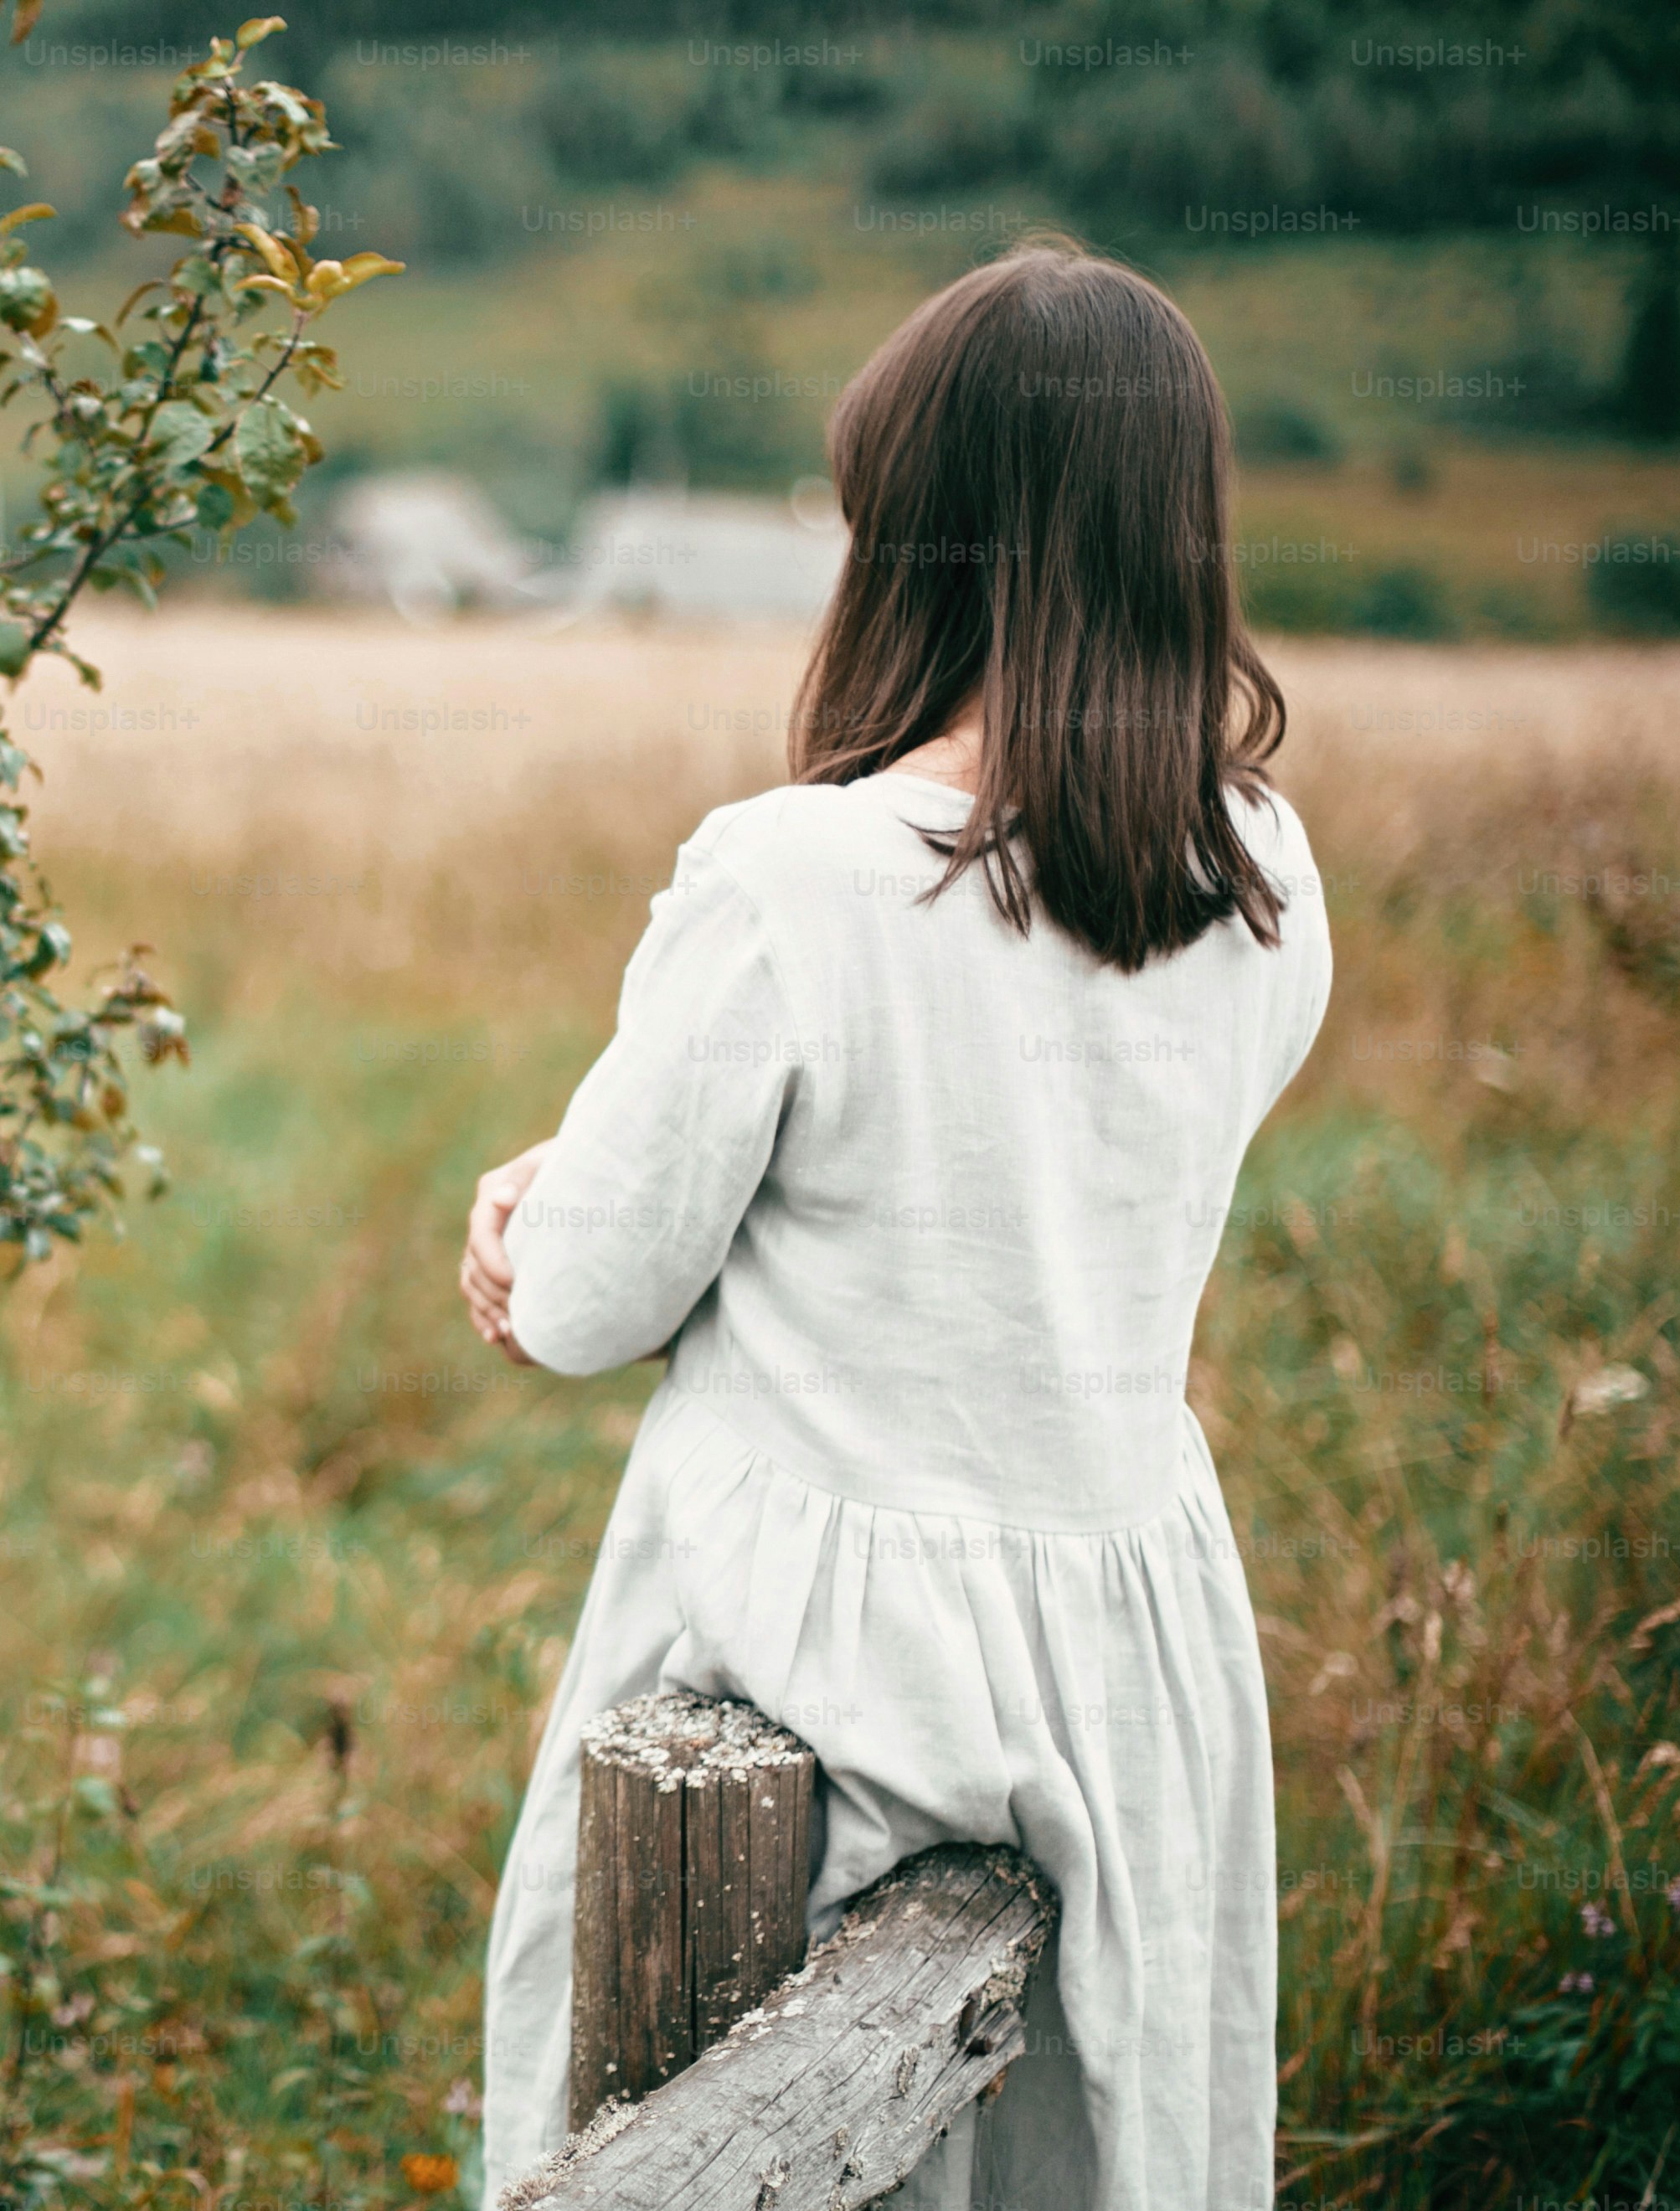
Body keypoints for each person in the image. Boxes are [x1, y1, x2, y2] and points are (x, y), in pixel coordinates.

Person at [460, 239, 1330, 2211]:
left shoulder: (799, 878)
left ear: (924, 539)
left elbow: (589, 1299)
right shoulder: (1261, 869)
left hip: (829, 1679)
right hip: (1132, 1657)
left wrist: (531, 1199)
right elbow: (1056, 1164)